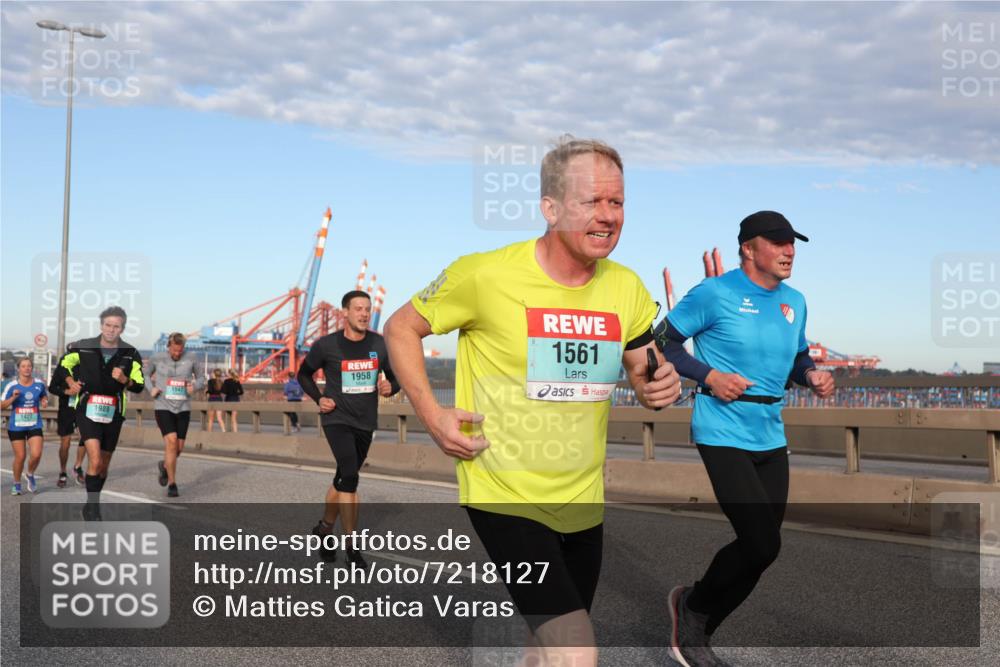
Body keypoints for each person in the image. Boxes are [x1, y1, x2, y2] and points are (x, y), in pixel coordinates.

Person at [384, 136, 680, 665]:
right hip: (504, 490)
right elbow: (401, 327)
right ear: (551, 207)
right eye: (592, 201)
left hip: (583, 496)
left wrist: (659, 386)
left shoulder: (627, 287)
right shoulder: (484, 274)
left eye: (617, 202)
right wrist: (433, 415)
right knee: (576, 653)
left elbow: (643, 366)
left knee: (545, 651)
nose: (608, 216)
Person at [654, 211, 835, 667]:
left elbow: (796, 356)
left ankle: (697, 624)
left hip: (770, 431)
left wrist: (811, 373)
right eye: (777, 242)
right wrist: (710, 375)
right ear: (748, 248)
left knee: (763, 550)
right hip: (722, 428)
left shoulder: (795, 300)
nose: (789, 250)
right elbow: (663, 344)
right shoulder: (715, 293)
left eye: (792, 242)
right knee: (760, 542)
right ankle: (693, 611)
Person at [298, 290, 400, 568]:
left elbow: (395, 376)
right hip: (336, 419)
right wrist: (320, 398)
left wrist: (391, 386)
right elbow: (303, 374)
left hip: (366, 422)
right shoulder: (326, 346)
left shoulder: (379, 345)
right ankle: (352, 548)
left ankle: (323, 530)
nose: (364, 314)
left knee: (343, 478)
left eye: (367, 309)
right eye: (358, 309)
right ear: (345, 312)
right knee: (351, 477)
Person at [58, 306, 145, 518]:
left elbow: (140, 385)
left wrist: (125, 380)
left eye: (116, 326)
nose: (111, 330)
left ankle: (91, 502)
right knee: (95, 460)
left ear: (122, 329)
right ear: (101, 325)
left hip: (113, 412)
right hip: (87, 408)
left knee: (103, 465)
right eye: (108, 325)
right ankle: (93, 508)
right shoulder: (84, 347)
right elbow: (63, 365)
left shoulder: (130, 353)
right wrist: (70, 381)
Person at [147, 332, 203, 497]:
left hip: (183, 407)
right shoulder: (157, 358)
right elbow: (144, 375)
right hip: (163, 405)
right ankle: (172, 484)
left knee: (178, 449)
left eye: (180, 350)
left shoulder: (192, 357)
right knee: (171, 442)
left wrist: (195, 386)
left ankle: (165, 466)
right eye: (174, 350)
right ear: (169, 346)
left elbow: (201, 378)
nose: (177, 353)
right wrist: (151, 388)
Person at [3, 357, 48, 495]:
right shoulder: (12, 385)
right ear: (19, 368)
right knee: (21, 456)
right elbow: (2, 405)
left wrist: (44, 400)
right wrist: (13, 398)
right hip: (17, 426)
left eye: (29, 366)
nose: (27, 368)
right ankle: (16, 484)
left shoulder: (39, 384)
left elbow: (43, 396)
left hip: (34, 424)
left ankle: (30, 474)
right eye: (23, 366)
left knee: (36, 454)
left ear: (32, 368)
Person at [49, 349, 88, 487]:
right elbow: (52, 388)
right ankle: (63, 471)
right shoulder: (62, 368)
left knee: (86, 437)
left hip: (83, 407)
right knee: (65, 442)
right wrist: (66, 391)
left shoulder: (85, 367)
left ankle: (78, 466)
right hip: (66, 407)